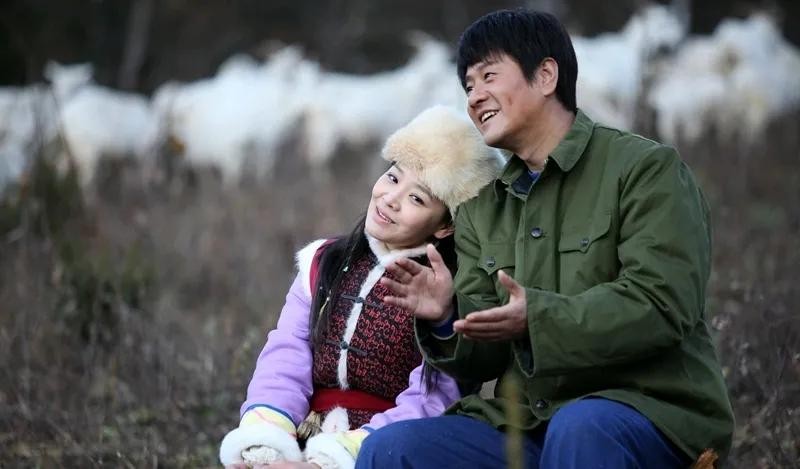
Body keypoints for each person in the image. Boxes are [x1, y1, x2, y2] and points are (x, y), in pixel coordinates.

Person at [357, 9, 735, 469]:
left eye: (488, 76)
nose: (475, 97)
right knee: (391, 450)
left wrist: (537, 318)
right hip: (529, 425)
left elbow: (662, 304)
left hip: (648, 413)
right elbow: (482, 361)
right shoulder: (482, 209)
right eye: (468, 86)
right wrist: (446, 316)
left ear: (545, 75)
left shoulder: (645, 170)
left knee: (580, 428)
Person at [219, 105, 504, 469]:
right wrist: (267, 440)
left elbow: (431, 401)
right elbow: (285, 355)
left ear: (445, 226)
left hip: (381, 450)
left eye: (417, 198)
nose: (391, 199)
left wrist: (330, 461)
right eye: (393, 177)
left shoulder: (447, 294)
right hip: (300, 434)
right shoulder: (324, 261)